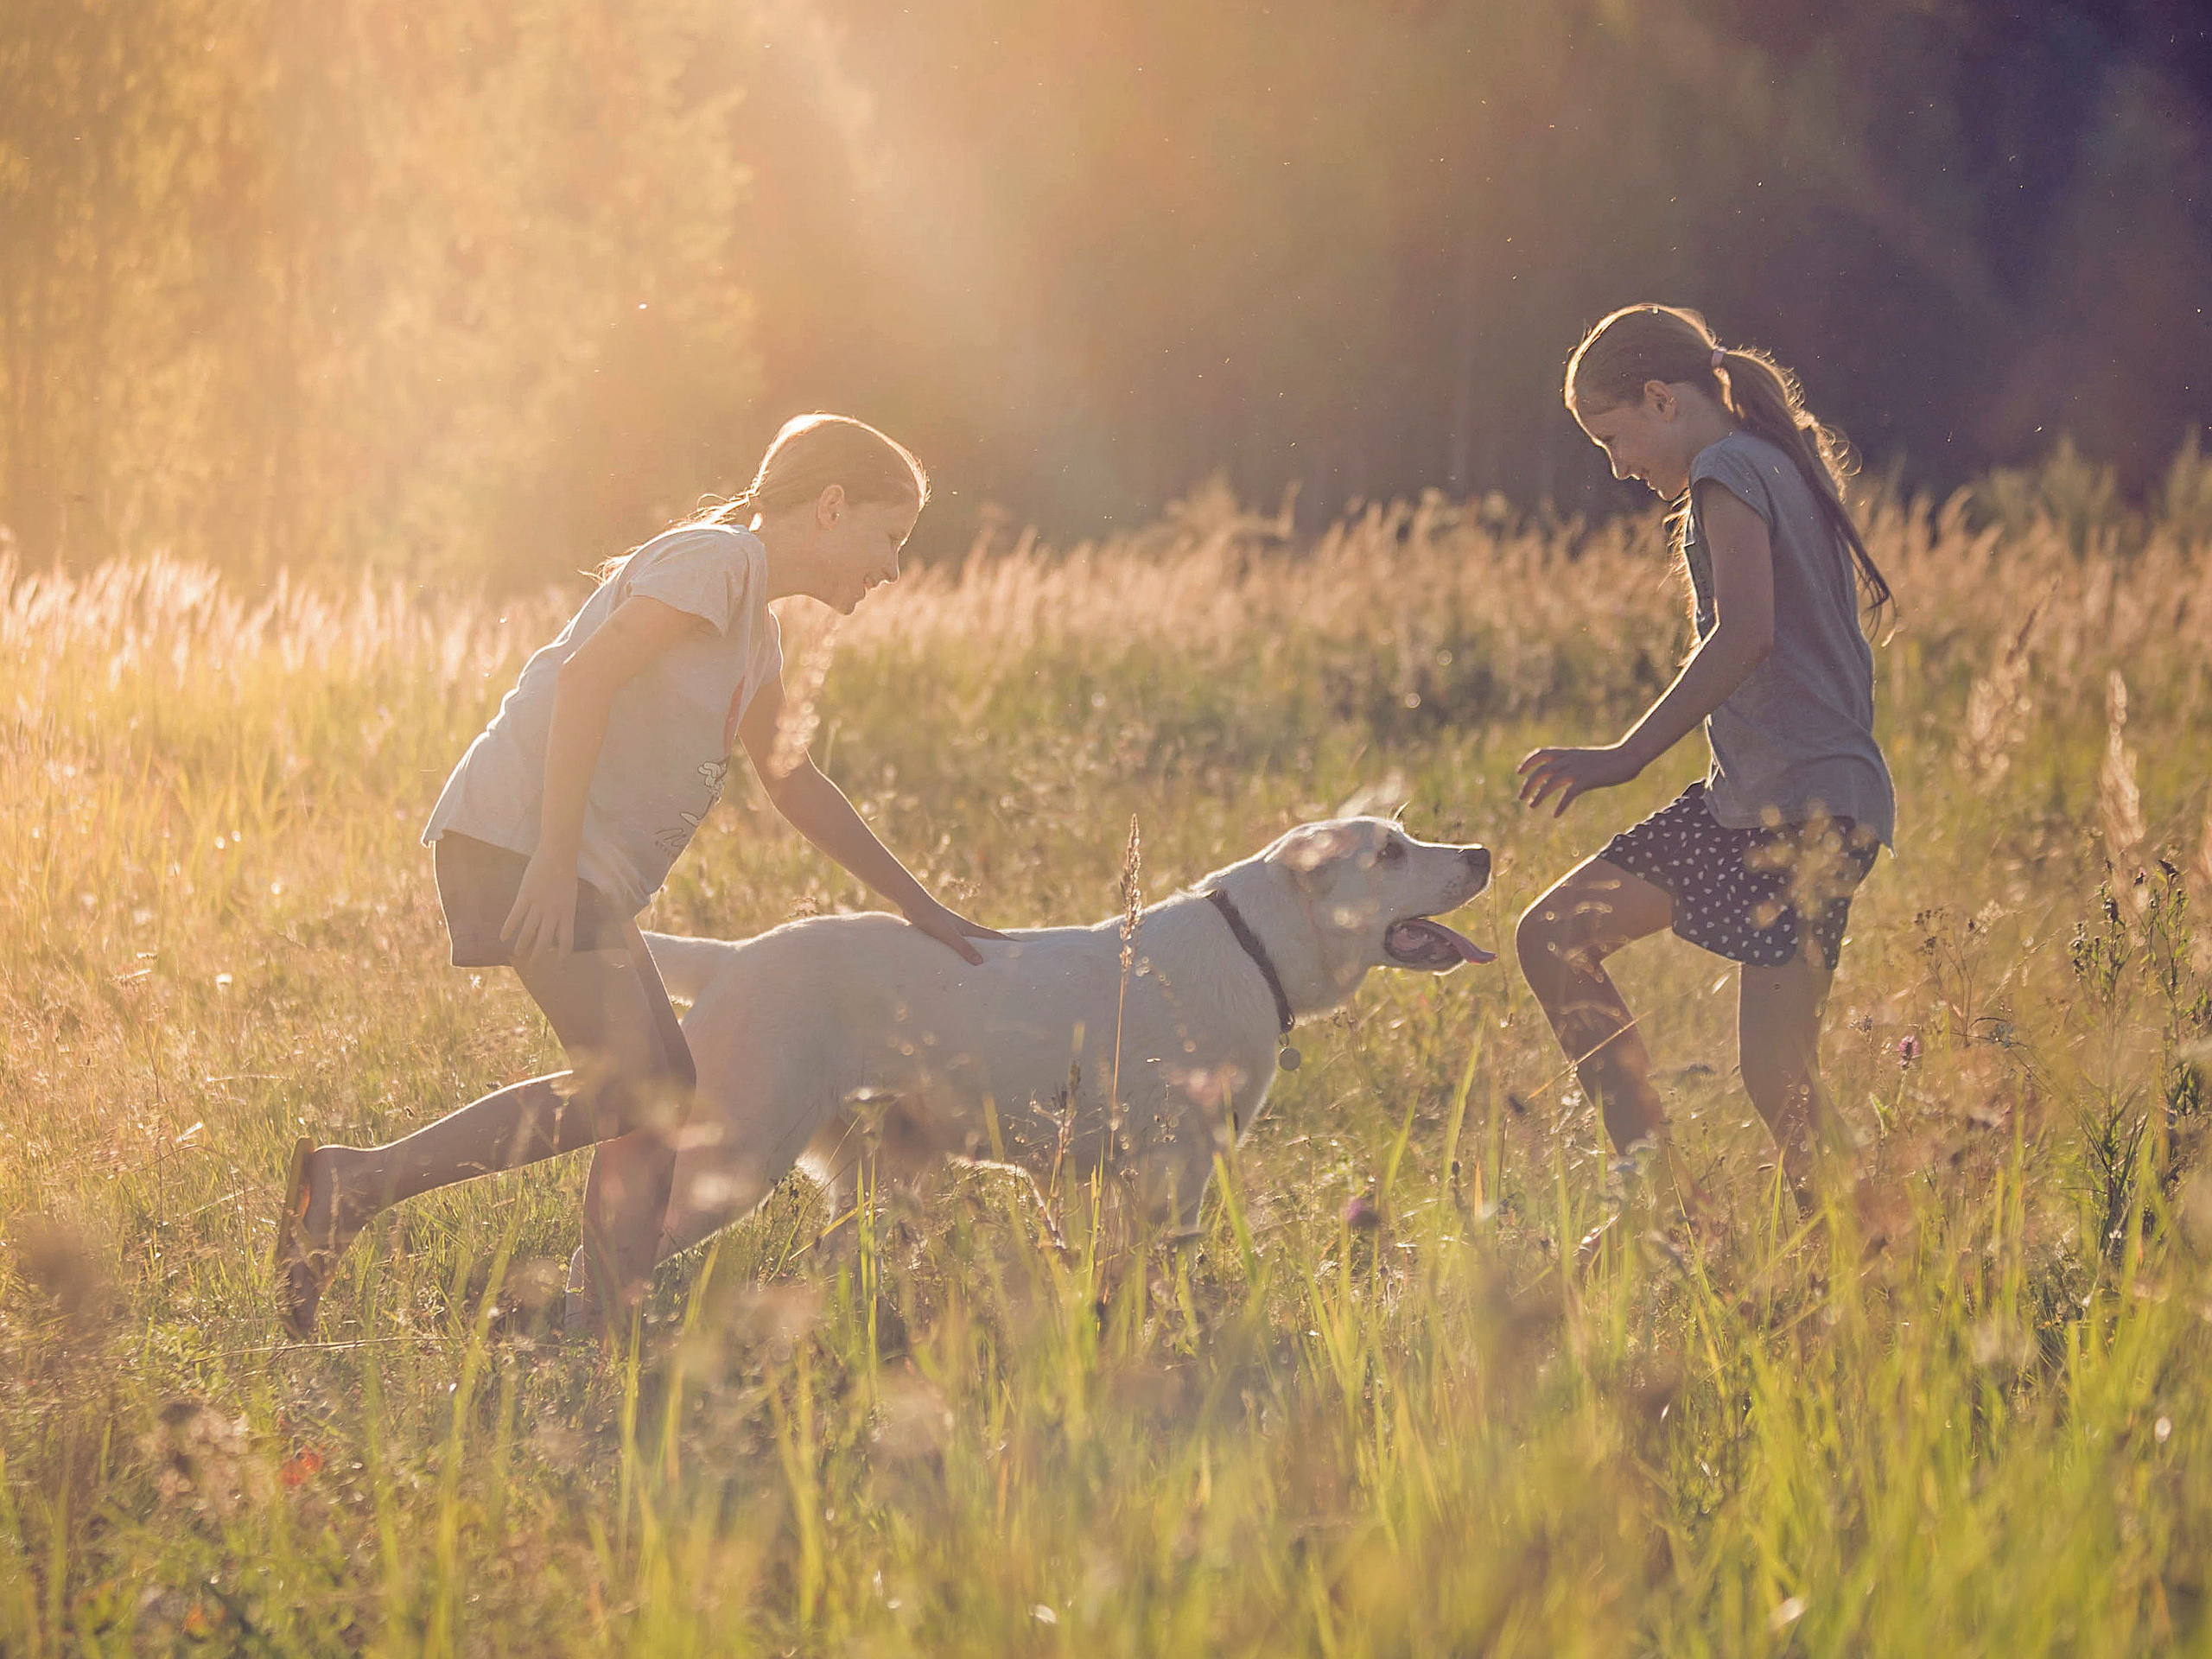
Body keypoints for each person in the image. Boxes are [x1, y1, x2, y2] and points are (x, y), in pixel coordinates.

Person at [275, 413, 1001, 1338]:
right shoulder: (716, 562)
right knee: (643, 1089)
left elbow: (792, 781)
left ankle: (596, 1332)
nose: (893, 567)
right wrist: (552, 857)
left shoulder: (756, 632)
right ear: (830, 506)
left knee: (658, 1102)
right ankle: (355, 1185)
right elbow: (584, 680)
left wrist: (920, 904)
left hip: (567, 861)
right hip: (522, 844)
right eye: (888, 536)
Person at [1514, 305, 1895, 1216]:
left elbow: (1746, 634)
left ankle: (1860, 1254)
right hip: (1760, 801)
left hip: (1801, 808)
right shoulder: (1772, 460)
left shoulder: (1727, 467)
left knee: (1776, 1072)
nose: (1617, 465)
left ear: (1661, 398)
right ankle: (1667, 1204)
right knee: (1559, 939)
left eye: (1612, 437)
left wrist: (1624, 756)